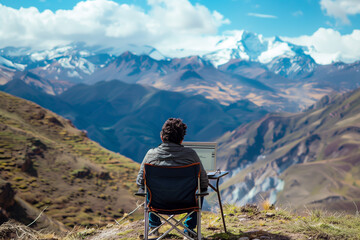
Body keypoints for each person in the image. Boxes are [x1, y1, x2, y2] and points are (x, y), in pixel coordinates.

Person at [136, 118, 208, 239]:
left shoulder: (150, 154)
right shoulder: (191, 155)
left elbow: (140, 182)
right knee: (201, 190)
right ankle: (189, 230)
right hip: (186, 203)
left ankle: (154, 228)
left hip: (157, 204)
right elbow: (204, 182)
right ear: (181, 139)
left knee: (147, 188)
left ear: (162, 137)